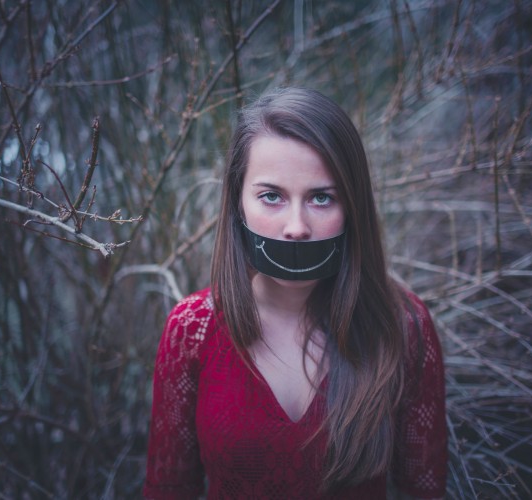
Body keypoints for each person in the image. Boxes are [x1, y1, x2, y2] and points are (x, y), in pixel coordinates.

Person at [143, 87, 447, 499]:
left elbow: (424, 491)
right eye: (272, 197)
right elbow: (168, 490)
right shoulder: (192, 329)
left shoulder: (402, 325)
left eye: (322, 198)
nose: (296, 226)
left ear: (351, 208)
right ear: (238, 204)